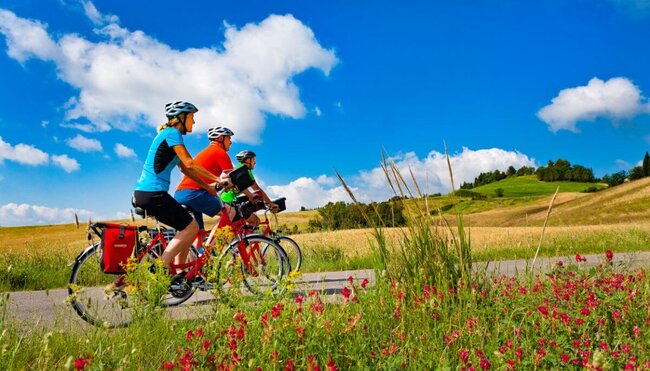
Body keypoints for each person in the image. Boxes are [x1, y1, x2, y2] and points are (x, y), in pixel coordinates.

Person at [133, 101, 225, 271]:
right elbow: (190, 163)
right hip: (153, 193)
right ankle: (161, 267)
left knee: (185, 229)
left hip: (148, 193)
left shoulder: (168, 136)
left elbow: (185, 169)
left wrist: (208, 187)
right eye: (192, 117)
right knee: (192, 227)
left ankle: (177, 272)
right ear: (181, 118)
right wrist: (218, 180)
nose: (194, 122)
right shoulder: (172, 133)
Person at [174, 126, 237, 230]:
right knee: (231, 211)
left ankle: (199, 246)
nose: (230, 142)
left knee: (198, 233)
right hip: (194, 194)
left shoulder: (205, 152)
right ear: (221, 138)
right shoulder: (220, 152)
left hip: (181, 194)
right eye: (229, 138)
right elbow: (231, 179)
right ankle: (215, 245)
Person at [221, 150, 278, 226]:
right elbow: (257, 189)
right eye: (253, 159)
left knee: (246, 224)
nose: (255, 162)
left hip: (227, 202)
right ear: (248, 160)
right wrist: (271, 203)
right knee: (255, 221)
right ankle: (247, 238)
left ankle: (245, 237)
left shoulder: (240, 169)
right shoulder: (243, 171)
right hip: (229, 203)